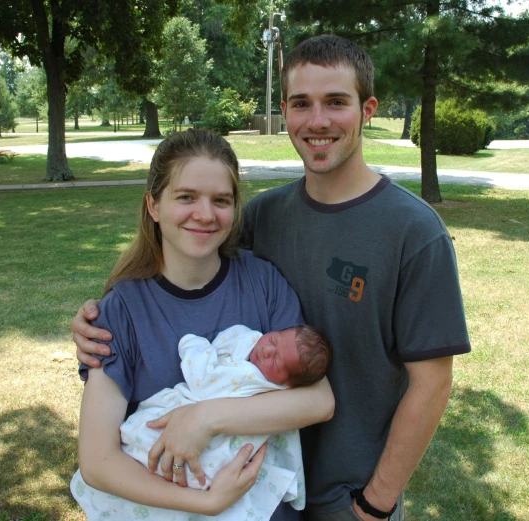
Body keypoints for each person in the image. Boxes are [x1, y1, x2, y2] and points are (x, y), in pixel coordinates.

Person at [73, 35, 471, 521]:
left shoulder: (414, 232)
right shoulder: (263, 218)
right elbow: (183, 262)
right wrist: (96, 322)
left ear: (367, 110)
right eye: (302, 103)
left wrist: (375, 503)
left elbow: (432, 385)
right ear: (284, 110)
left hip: (347, 493)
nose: (318, 120)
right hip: (266, 484)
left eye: (336, 102)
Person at [74, 129, 335, 521]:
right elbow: (97, 460)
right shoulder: (120, 312)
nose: (206, 214)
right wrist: (207, 503)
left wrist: (204, 418)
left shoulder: (262, 282)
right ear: (154, 205)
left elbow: (318, 400)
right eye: (186, 197)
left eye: (221, 200)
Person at [72, 324, 332, 521]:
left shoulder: (253, 378)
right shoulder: (121, 309)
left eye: (276, 360)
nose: (266, 351)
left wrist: (193, 345)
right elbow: (97, 463)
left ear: (287, 383)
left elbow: (204, 380)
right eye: (273, 340)